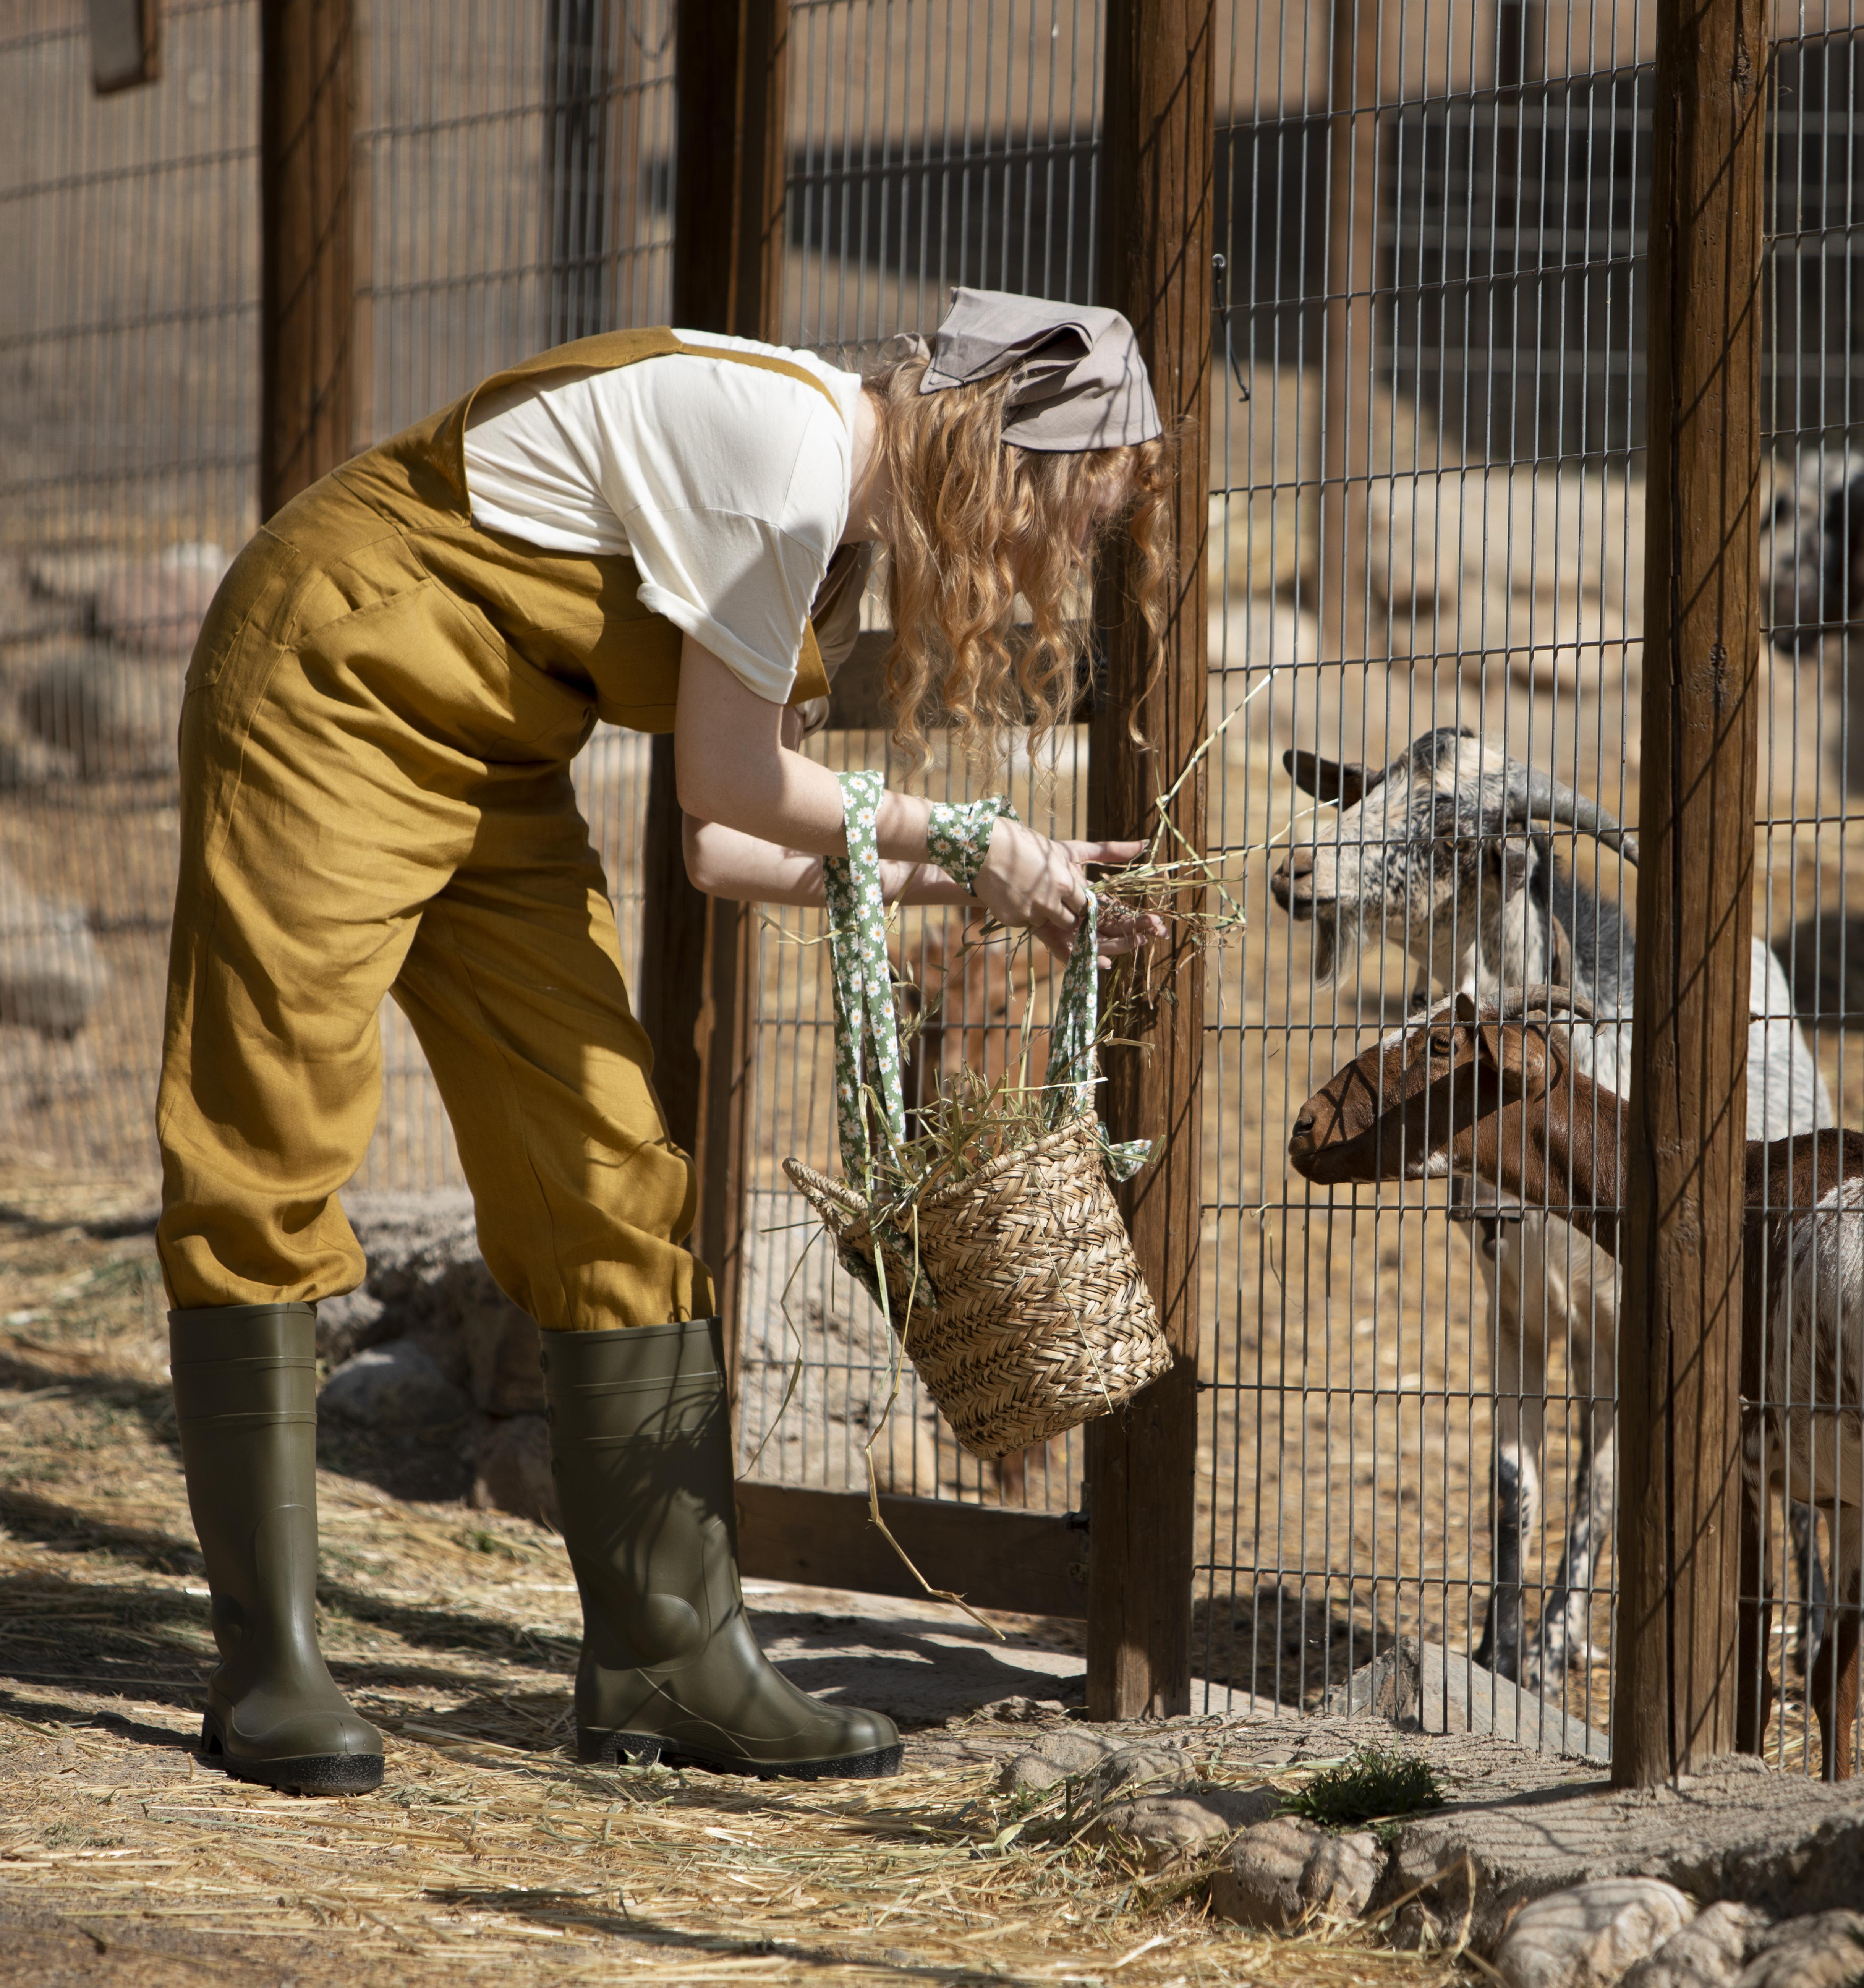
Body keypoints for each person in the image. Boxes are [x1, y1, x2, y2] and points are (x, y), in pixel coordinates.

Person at [155, 290, 1175, 1794]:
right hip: (328, 687)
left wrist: (982, 880)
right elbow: (733, 773)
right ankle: (268, 1667)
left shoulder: (831, 547)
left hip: (494, 758)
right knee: (273, 1136)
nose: (1057, 566)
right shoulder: (786, 454)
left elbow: (721, 841)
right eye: (1066, 521)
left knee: (608, 1175)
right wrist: (976, 834)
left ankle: (670, 1661)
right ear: (1001, 465)